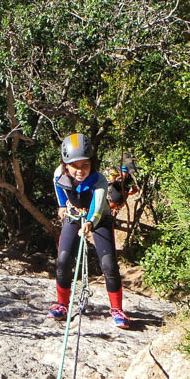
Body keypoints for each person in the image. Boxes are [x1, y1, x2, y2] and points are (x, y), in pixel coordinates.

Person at [46, 132, 130, 329]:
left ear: (92, 163)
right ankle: (62, 304)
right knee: (64, 259)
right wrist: (61, 206)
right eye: (74, 165)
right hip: (74, 215)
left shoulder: (98, 179)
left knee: (108, 263)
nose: (80, 170)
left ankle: (117, 309)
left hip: (99, 217)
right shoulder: (60, 173)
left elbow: (98, 204)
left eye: (85, 165)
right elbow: (59, 187)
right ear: (66, 164)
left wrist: (91, 222)